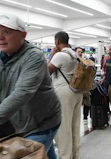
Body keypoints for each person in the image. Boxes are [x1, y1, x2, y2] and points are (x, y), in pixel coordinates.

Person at [0, 14, 61, 158]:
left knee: (32, 152)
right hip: (15, 123)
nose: (0, 37)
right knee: (43, 153)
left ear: (23, 35)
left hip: (40, 123)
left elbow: (21, 95)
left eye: (7, 32)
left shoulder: (34, 57)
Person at [48, 31, 82, 159]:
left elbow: (46, 73)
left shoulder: (60, 55)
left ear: (57, 41)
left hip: (63, 92)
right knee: (74, 127)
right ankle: (75, 156)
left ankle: (65, 156)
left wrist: (52, 56)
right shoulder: (74, 54)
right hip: (76, 91)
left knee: (63, 130)